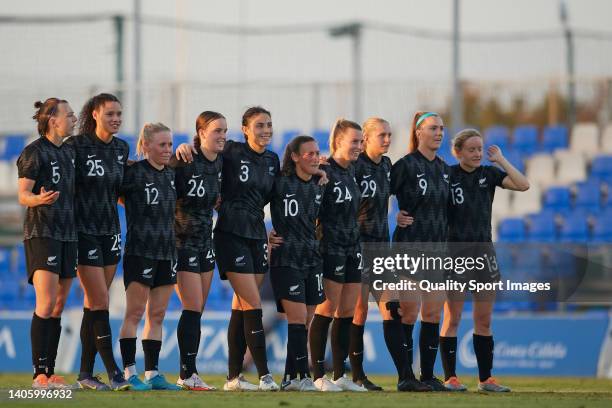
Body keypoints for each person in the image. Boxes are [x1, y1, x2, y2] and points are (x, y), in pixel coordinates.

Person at [176, 106, 280, 391]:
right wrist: (185, 146)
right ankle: (265, 376)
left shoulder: (273, 159)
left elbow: (280, 195)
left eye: (269, 124)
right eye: (259, 125)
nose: (266, 130)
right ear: (246, 129)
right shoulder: (232, 151)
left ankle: (234, 377)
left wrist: (319, 168)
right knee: (253, 304)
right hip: (229, 235)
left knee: (241, 306)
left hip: (257, 236)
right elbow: (203, 154)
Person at [439, 129, 529, 392]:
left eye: (480, 149)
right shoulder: (448, 175)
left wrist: (500, 159)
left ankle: (486, 379)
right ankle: (450, 377)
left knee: (484, 319)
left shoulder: (488, 174)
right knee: (452, 318)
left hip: (483, 253)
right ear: (458, 152)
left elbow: (523, 185)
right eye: (472, 149)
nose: (478, 154)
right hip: (455, 253)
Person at [351, 117, 431, 392]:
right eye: (382, 135)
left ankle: (405, 377)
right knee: (357, 312)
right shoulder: (354, 165)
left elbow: (398, 194)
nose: (387, 139)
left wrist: (399, 213)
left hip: (381, 248)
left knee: (393, 309)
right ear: (366, 137)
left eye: (389, 134)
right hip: (357, 246)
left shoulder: (386, 166)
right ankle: (357, 375)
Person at [67, 93, 130, 390]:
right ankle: (114, 372)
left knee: (94, 306)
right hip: (83, 231)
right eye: (110, 114)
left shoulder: (121, 148)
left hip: (111, 232)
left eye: (119, 113)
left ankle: (85, 375)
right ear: (94, 114)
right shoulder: (76, 147)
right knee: (100, 301)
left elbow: (119, 192)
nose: (116, 118)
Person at [17, 98, 77, 389]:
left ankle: (50, 372)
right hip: (43, 233)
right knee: (46, 302)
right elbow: (23, 195)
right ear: (53, 120)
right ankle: (38, 374)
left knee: (59, 305)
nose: (74, 118)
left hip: (69, 234)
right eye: (70, 114)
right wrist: (38, 199)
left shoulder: (69, 152)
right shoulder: (34, 152)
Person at [390, 111, 451, 391]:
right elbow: (378, 195)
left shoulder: (444, 168)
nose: (439, 133)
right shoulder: (404, 165)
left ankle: (427, 376)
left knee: (433, 314)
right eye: (433, 128)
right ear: (418, 132)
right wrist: (394, 217)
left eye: (441, 128)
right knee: (409, 313)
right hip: (410, 247)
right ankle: (405, 377)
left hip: (437, 249)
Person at [117, 123, 181, 391]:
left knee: (158, 314)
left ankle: (153, 373)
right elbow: (118, 196)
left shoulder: (172, 174)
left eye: (170, 144)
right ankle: (130, 373)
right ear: (146, 146)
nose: (168, 150)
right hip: (140, 251)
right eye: (162, 145)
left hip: (167, 252)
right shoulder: (132, 174)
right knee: (134, 312)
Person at [309, 119, 367, 392]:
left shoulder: (354, 171)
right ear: (338, 142)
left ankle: (339, 374)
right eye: (354, 141)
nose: (359, 146)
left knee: (347, 313)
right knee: (327, 310)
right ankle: (318, 374)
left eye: (360, 141)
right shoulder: (322, 170)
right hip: (329, 248)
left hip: (352, 248)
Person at [169, 111, 225, 390]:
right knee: (191, 308)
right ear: (201, 132)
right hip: (182, 242)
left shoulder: (222, 163)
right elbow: (154, 177)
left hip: (206, 242)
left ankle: (190, 372)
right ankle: (186, 374)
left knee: (197, 309)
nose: (222, 136)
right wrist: (177, 150)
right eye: (216, 130)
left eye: (224, 131)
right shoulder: (185, 159)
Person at [267, 135, 325, 392]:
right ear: (294, 156)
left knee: (306, 321)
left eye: (317, 153)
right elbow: (249, 204)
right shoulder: (279, 183)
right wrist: (263, 232)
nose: (315, 157)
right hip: (287, 258)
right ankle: (303, 376)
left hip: (312, 259)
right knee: (297, 317)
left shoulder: (319, 184)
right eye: (309, 154)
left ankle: (290, 378)